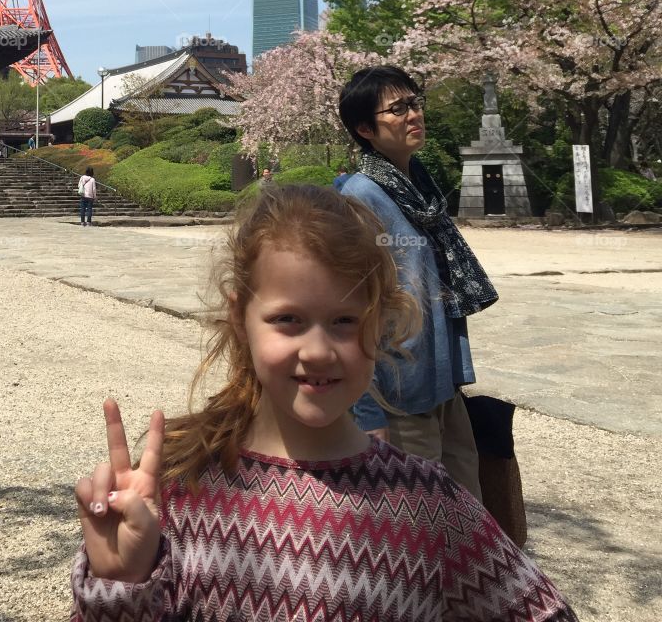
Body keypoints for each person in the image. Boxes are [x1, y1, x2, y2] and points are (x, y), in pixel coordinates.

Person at [70, 186, 578, 621]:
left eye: (345, 321)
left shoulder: (426, 505)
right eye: (288, 319)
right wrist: (120, 583)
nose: (317, 351)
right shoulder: (178, 493)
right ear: (238, 317)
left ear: (380, 324)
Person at [338, 64, 498, 500]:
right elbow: (350, 308)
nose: (414, 114)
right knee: (418, 530)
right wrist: (368, 412)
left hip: (442, 386)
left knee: (468, 515)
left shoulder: (420, 187)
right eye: (398, 108)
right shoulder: (360, 198)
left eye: (415, 103)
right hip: (399, 395)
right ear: (366, 129)